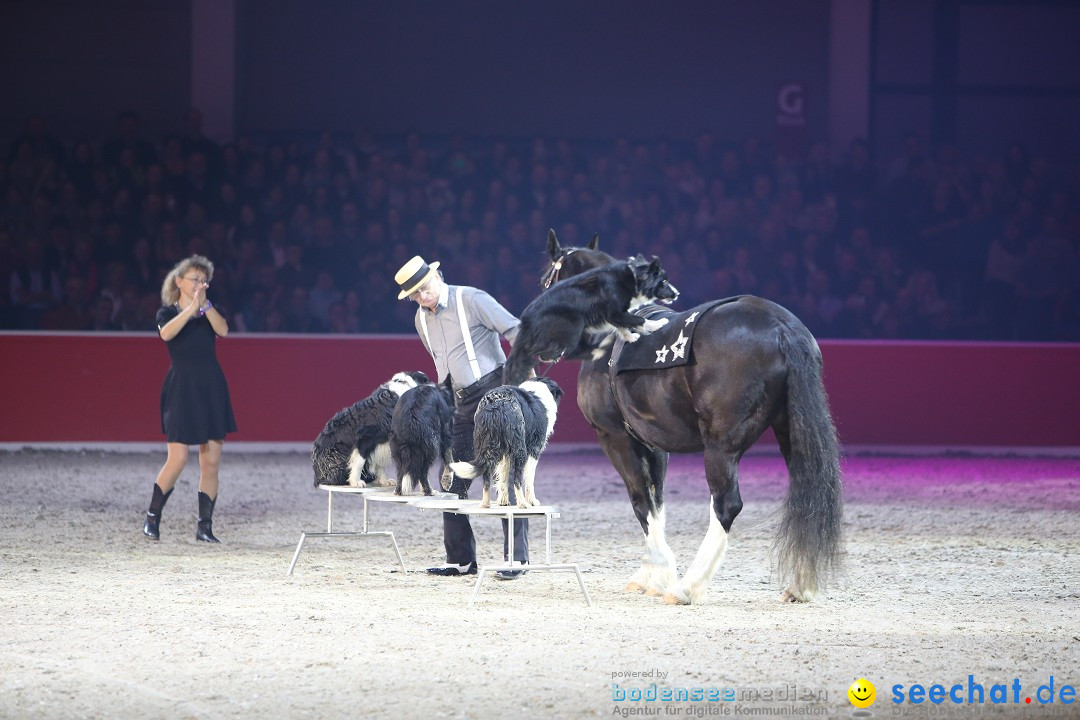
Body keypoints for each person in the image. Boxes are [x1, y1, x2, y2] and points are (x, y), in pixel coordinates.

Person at [394, 255, 529, 578]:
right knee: (452, 477)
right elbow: (442, 359)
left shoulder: (471, 299)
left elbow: (515, 328)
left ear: (438, 276)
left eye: (425, 288)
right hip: (456, 400)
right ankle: (461, 560)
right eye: (415, 295)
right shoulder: (421, 319)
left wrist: (523, 373)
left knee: (503, 473)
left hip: (494, 390)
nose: (423, 297)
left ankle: (517, 560)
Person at [143, 255, 237, 543]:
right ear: (179, 281)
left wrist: (204, 306)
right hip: (181, 388)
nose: (199, 283)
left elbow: (223, 330)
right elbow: (167, 335)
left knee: (210, 462)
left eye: (203, 280)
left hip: (210, 387)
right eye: (194, 279)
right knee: (178, 458)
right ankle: (152, 518)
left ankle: (204, 527)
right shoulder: (166, 313)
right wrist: (190, 309)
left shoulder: (211, 311)